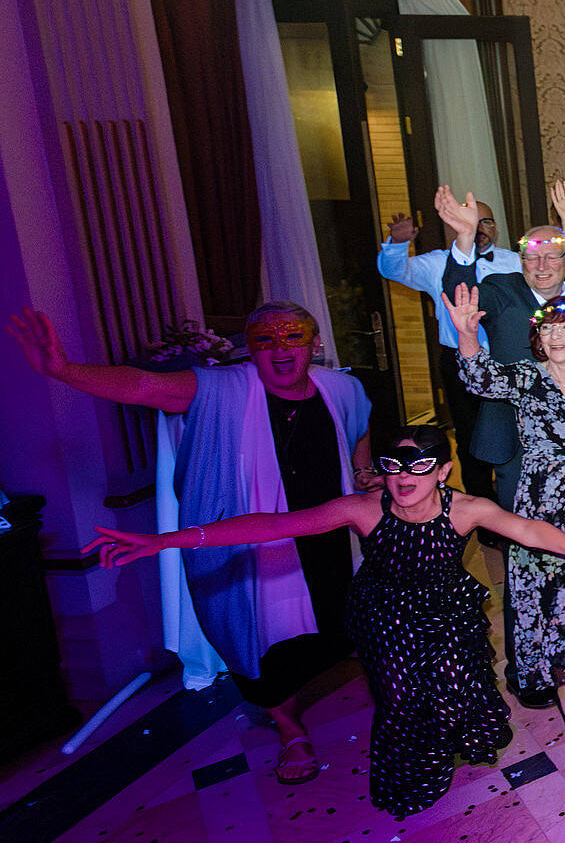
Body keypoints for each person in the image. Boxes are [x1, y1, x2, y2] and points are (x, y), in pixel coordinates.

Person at [85, 425, 565, 817]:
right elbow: (272, 525)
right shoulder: (363, 509)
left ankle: (448, 735)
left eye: (421, 464)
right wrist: (166, 539)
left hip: (448, 615)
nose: (404, 476)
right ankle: (412, 778)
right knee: (400, 701)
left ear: (442, 469)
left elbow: (530, 530)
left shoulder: (466, 508)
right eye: (393, 465)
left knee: (452, 691)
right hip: (386, 618)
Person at [9, 302, 372, 785]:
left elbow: (360, 426)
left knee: (339, 617)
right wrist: (63, 369)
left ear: (315, 344)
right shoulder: (221, 389)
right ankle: (289, 728)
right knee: (259, 640)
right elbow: (142, 385)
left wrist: (364, 469)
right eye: (266, 339)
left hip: (327, 535)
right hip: (250, 544)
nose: (281, 348)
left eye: (293, 336)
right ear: (250, 349)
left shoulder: (342, 388)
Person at [446, 284, 565, 733]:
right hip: (544, 496)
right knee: (553, 592)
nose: (556, 337)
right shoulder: (524, 375)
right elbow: (477, 377)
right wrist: (467, 335)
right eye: (548, 329)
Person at [437, 188, 565, 510]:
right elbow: (460, 294)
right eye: (531, 257)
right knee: (520, 529)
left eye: (551, 256)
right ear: (522, 261)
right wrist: (465, 238)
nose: (541, 265)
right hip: (514, 441)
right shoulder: (501, 291)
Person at [376, 200, 518, 497]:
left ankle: (516, 503)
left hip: (508, 360)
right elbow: (392, 270)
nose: (480, 229)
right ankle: (482, 507)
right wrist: (397, 244)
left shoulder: (514, 262)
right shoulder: (437, 263)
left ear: (497, 227)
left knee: (515, 432)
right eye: (471, 222)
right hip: (458, 363)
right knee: (469, 438)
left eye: (486, 222)